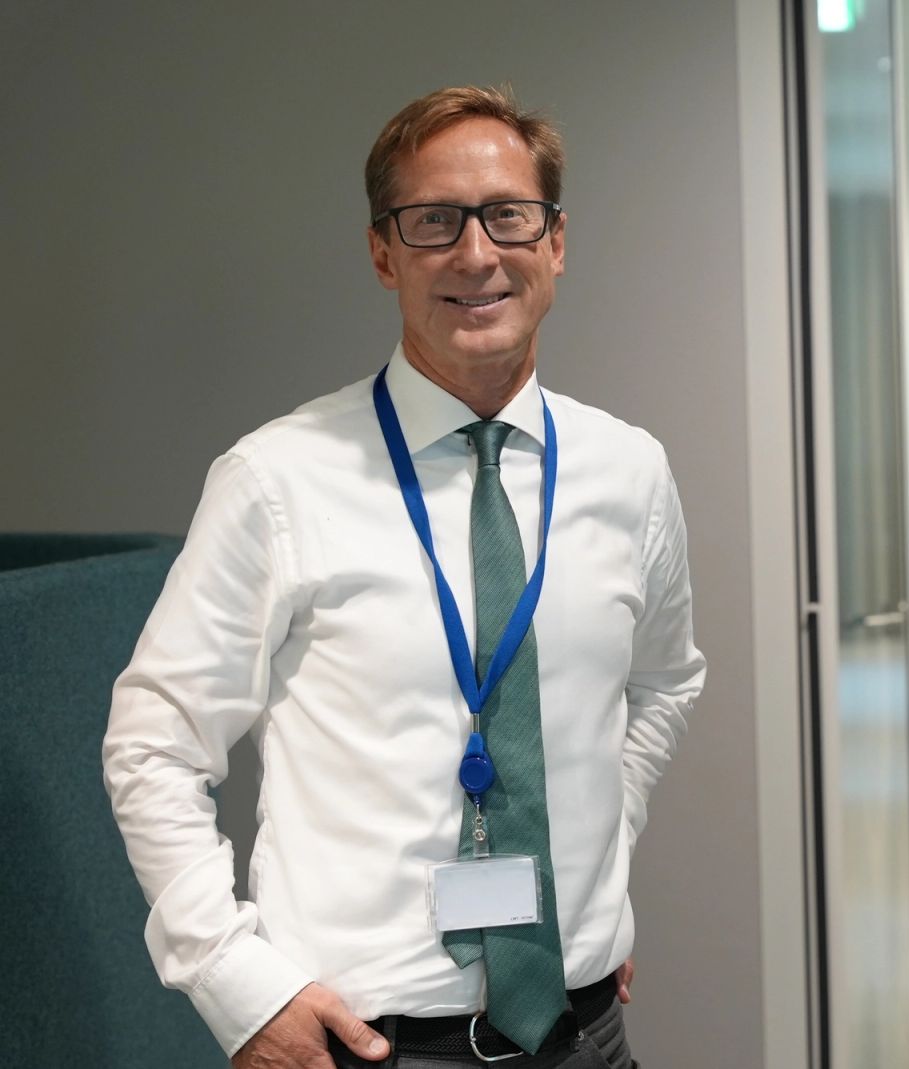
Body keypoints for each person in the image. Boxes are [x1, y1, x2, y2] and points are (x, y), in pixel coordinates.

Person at [103, 85, 705, 1069]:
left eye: (508, 215)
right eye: (434, 221)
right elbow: (154, 740)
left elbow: (666, 683)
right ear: (384, 253)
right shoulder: (277, 479)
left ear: (555, 242)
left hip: (586, 1036)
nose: (476, 253)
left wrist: (588, 867)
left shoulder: (629, 471)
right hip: (370, 1048)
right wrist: (233, 981)